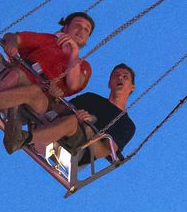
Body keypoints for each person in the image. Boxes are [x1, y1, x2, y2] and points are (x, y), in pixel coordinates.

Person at [8, 62, 137, 160]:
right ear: (109, 83)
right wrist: (54, 97)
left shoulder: (126, 125)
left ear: (132, 87)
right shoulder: (91, 98)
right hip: (54, 124)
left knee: (73, 121)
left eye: (125, 77)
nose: (120, 78)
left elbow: (102, 152)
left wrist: (89, 129)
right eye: (116, 76)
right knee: (35, 90)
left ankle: (23, 138)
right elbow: (60, 109)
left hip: (78, 149)